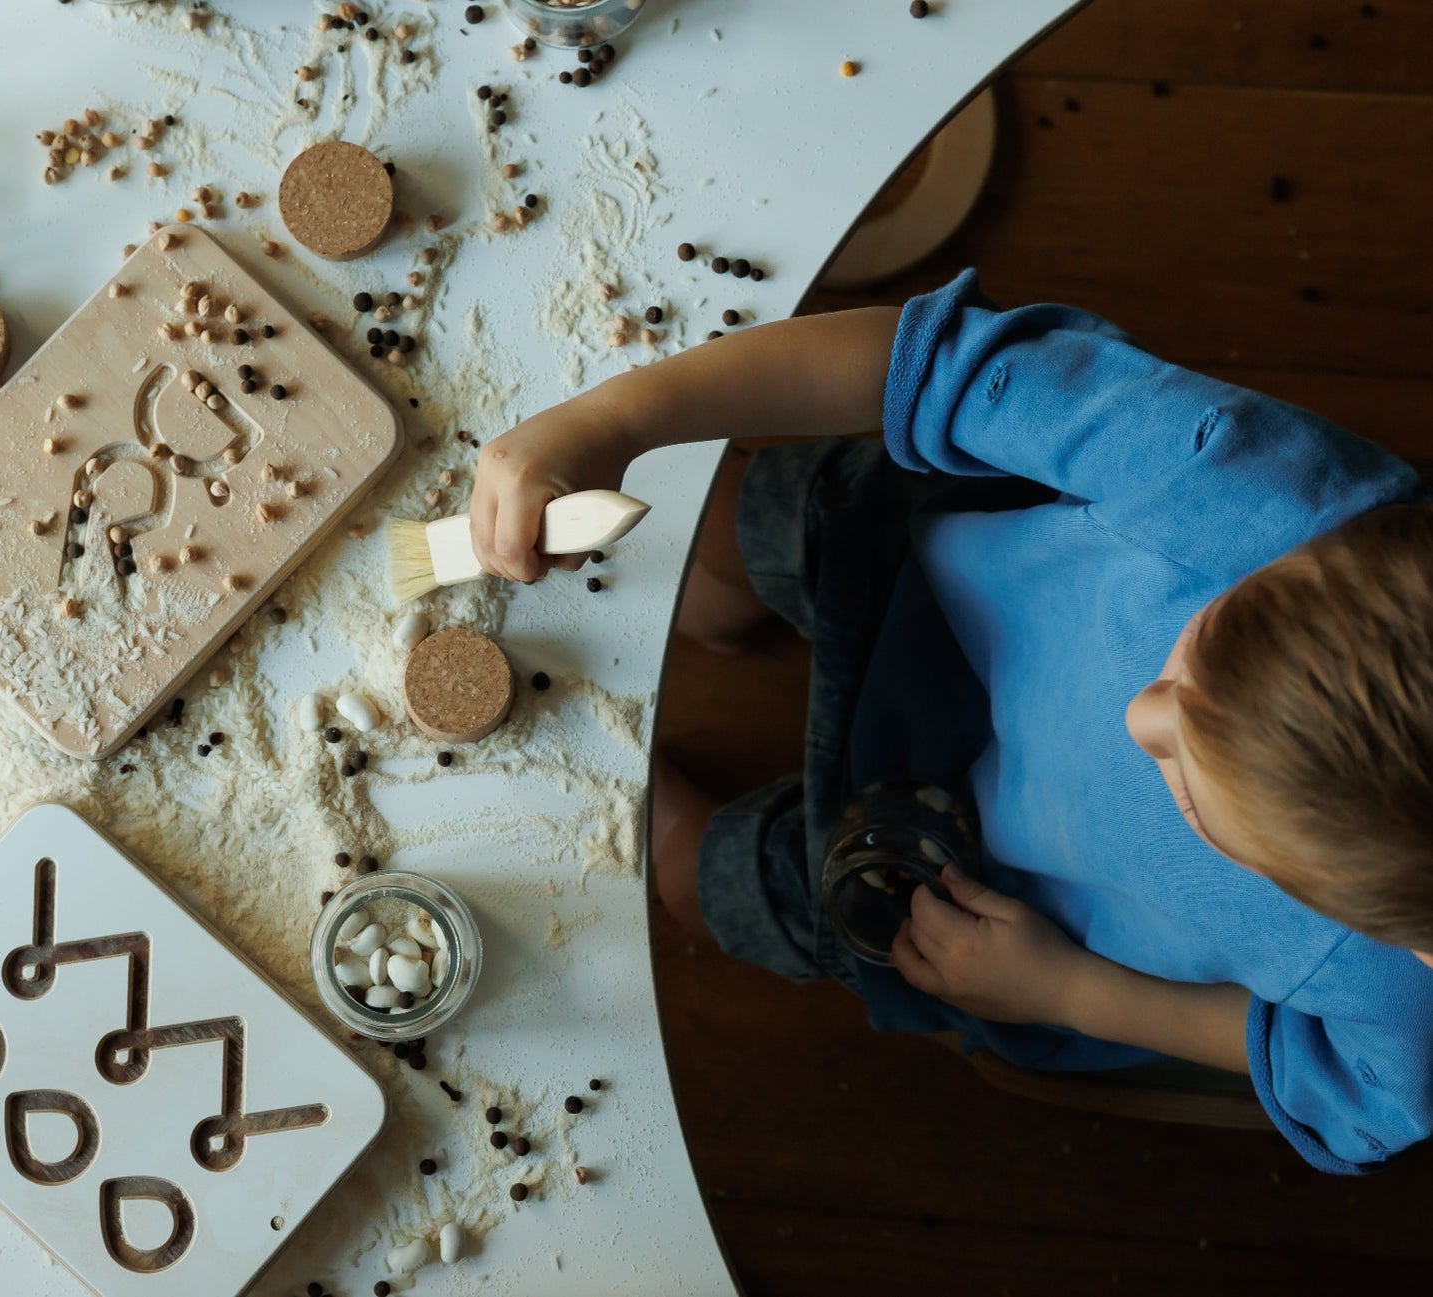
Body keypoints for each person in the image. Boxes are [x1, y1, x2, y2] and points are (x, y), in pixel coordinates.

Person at [467, 270, 1433, 1174]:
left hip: (978, 888)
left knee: (711, 874)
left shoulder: (1405, 996)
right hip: (917, 579)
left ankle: (650, 805)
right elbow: (926, 363)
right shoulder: (1255, 490)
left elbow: (1351, 1093)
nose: (1141, 713)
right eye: (1198, 648)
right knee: (747, 523)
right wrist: (617, 416)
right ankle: (722, 599)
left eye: (1191, 787)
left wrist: (1065, 993)